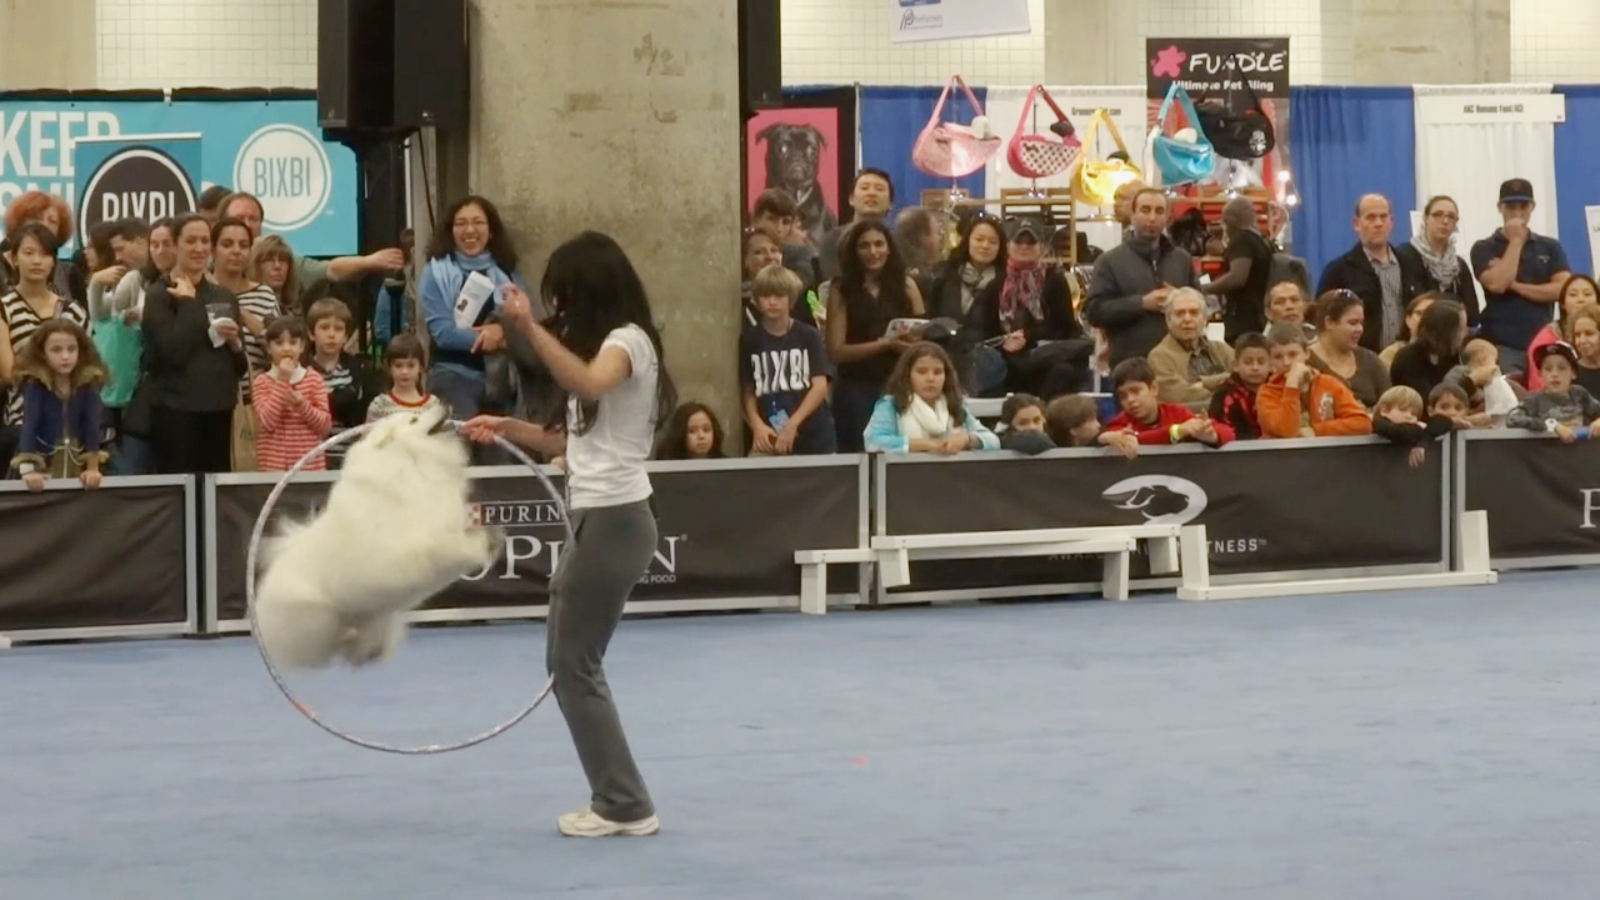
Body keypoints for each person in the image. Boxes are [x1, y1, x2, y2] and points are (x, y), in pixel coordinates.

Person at [462, 230, 676, 839]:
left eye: (564, 297)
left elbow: (587, 384)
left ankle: (624, 802)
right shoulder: (618, 345)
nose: (559, 310)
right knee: (569, 660)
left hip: (614, 520)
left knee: (574, 663)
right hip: (599, 517)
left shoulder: (626, 342)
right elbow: (569, 443)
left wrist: (527, 327)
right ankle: (619, 797)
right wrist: (506, 426)